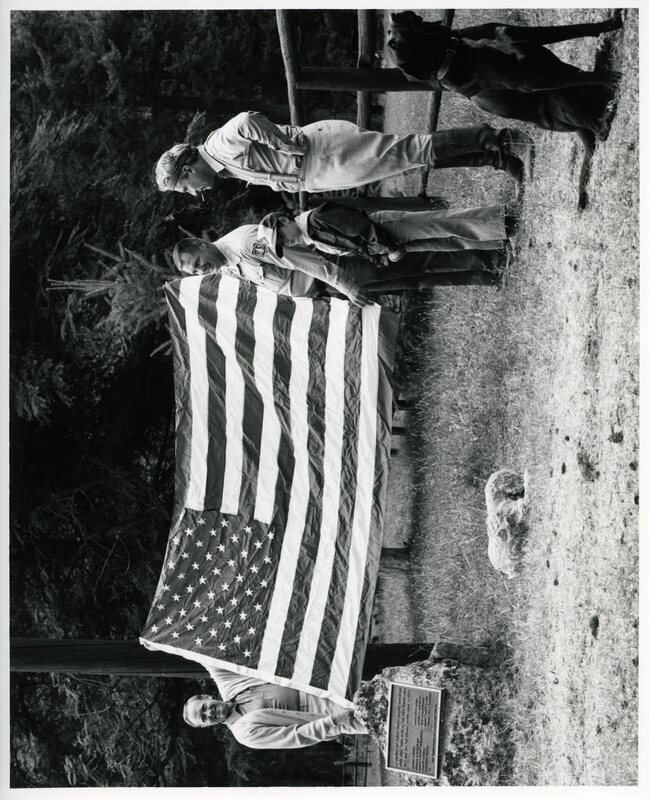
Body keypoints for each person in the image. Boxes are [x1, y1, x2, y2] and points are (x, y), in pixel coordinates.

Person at [172, 201, 512, 305]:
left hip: (336, 271)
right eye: (196, 273)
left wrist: (346, 285)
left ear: (202, 245)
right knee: (416, 280)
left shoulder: (245, 245)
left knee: (416, 261)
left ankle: (490, 259)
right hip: (326, 287)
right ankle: (486, 276)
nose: (203, 271)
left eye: (199, 264)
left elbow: (306, 261)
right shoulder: (227, 268)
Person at [155, 110, 535, 196]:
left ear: (188, 170)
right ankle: (497, 157)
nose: (194, 193)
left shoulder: (219, 145)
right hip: (319, 171)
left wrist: (284, 144)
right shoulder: (222, 167)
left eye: (185, 188)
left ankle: (497, 138)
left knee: (411, 149)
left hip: (321, 152)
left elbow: (245, 121)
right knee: (412, 157)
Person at [183, 665, 367, 749]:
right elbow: (296, 737)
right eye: (204, 717)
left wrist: (160, 644)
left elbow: (208, 657)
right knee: (385, 718)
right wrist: (334, 720)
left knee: (385, 689)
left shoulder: (230, 686)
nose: (209, 712)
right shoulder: (244, 734)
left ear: (206, 697)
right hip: (328, 715)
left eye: (204, 707)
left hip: (327, 686)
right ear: (206, 726)